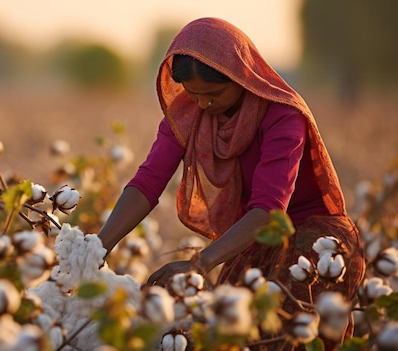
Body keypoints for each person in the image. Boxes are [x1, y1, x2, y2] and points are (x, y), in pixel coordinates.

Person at [97, 17, 365, 348]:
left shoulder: (283, 116)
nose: (204, 104)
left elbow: (269, 209)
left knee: (285, 335)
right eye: (194, 94)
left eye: (214, 93)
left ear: (241, 76)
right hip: (253, 237)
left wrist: (201, 262)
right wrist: (98, 246)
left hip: (311, 242)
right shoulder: (187, 115)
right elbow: (148, 181)